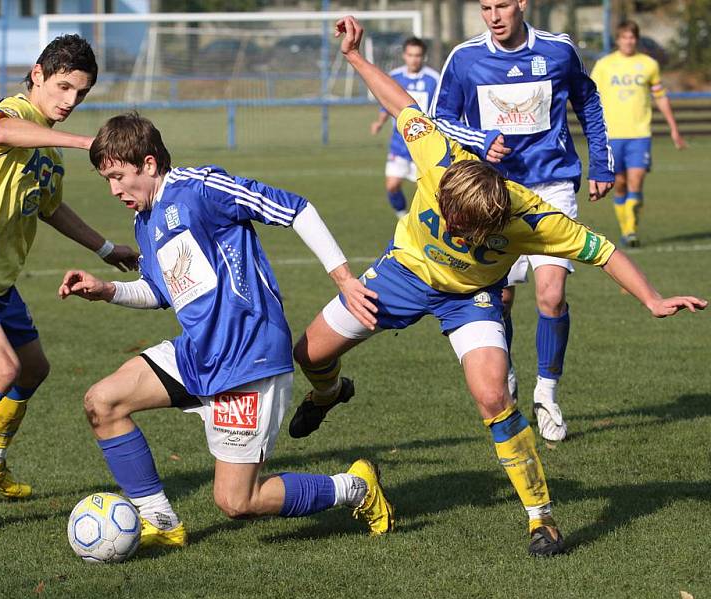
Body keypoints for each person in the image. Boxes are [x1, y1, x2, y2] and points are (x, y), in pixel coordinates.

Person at [288, 16, 706, 556]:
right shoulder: (437, 159)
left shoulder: (530, 218)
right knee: (308, 354)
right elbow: (400, 104)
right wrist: (354, 56)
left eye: (467, 229)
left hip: (470, 297)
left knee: (492, 396)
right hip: (403, 274)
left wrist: (651, 299)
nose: (457, 230)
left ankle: (542, 517)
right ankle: (329, 392)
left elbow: (602, 251)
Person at [57, 113, 394, 548]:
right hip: (197, 353)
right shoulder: (145, 221)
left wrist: (345, 280)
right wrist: (106, 290)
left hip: (248, 358)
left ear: (148, 163)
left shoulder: (201, 188)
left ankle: (356, 487)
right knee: (102, 403)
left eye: (119, 176)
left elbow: (297, 209)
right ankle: (160, 520)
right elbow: (160, 291)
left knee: (238, 501)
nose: (114, 190)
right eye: (107, 180)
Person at [0, 35, 139, 539]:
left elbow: (51, 208)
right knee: (2, 368)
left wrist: (107, 249)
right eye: (62, 87)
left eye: (80, 94)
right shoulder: (9, 115)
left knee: (34, 369)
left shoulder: (47, 156)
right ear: (37, 74)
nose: (69, 101)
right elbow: (8, 130)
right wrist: (89, 142)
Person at [428, 0, 616, 443]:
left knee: (551, 296)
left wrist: (602, 164)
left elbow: (588, 101)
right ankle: (507, 373)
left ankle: (547, 395)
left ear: (522, 5)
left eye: (502, 6)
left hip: (552, 186)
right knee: (504, 299)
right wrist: (480, 140)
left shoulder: (558, 51)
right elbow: (440, 119)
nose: (494, 16)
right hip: (492, 193)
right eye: (486, 7)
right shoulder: (464, 58)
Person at [591, 20, 686, 248]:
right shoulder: (604, 65)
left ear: (637, 39)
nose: (628, 41)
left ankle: (631, 230)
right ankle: (626, 229)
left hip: (640, 134)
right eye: (624, 37)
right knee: (620, 184)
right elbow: (590, 97)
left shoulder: (649, 65)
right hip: (612, 135)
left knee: (636, 180)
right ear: (618, 39)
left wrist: (673, 127)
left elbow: (660, 96)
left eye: (632, 37)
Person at [370, 37, 439, 218]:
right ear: (404, 55)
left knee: (428, 192)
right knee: (392, 185)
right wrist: (379, 122)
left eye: (417, 55)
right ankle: (403, 217)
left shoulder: (434, 79)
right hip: (399, 144)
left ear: (423, 57)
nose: (414, 59)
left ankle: (429, 225)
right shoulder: (395, 77)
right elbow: (387, 103)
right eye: (410, 55)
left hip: (424, 146)